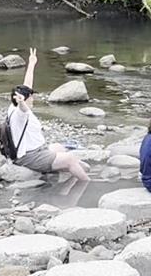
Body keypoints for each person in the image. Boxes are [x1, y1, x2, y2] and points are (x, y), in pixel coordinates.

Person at [6, 48, 90, 181]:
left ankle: (66, 183)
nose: (33, 99)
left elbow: (27, 86)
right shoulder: (20, 112)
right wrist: (22, 102)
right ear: (23, 99)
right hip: (29, 157)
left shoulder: (13, 106)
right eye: (31, 98)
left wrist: (32, 64)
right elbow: (22, 108)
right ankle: (87, 184)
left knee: (61, 148)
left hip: (38, 150)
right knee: (70, 159)